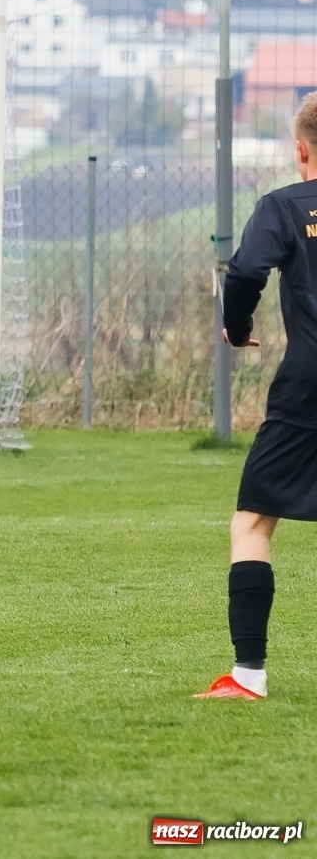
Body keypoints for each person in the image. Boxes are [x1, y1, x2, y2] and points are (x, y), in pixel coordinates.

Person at [198, 91, 317, 700]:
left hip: (308, 383)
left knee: (253, 523)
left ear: (301, 149)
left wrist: (238, 325)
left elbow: (245, 272)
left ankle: (247, 677)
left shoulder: (283, 206)